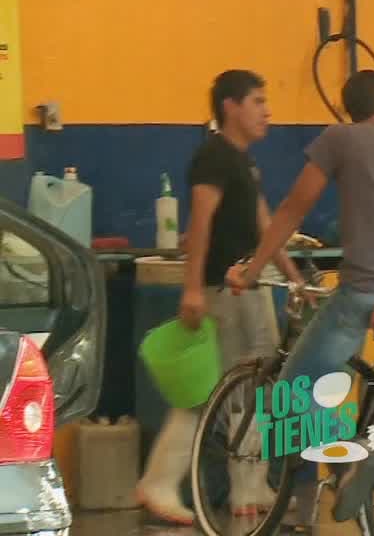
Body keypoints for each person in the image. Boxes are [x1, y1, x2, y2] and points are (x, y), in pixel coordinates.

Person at [225, 70, 374, 526]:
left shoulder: (340, 139)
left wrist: (253, 270)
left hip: (365, 292)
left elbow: (293, 210)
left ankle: (347, 463)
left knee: (296, 387)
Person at [135, 69, 305, 525]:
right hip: (225, 289)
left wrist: (294, 277)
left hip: (252, 286)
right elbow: (201, 225)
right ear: (230, 106)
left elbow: (266, 225)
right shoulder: (213, 157)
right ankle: (159, 481)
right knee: (213, 393)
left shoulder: (243, 162)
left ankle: (249, 486)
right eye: (257, 101)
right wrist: (192, 288)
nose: (267, 111)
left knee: (255, 388)